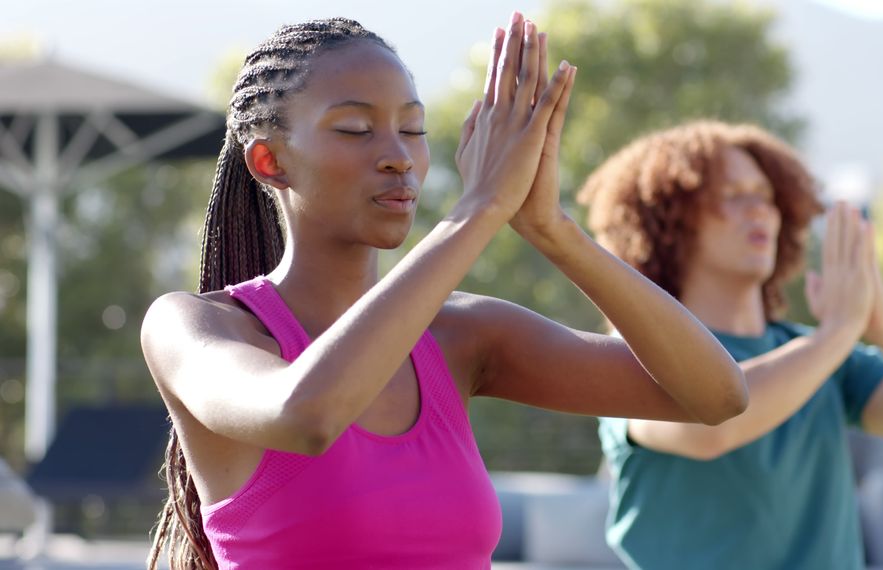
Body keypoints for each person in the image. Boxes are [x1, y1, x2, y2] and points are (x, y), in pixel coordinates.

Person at [139, 15, 748, 570]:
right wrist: (477, 210)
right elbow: (308, 414)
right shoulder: (193, 327)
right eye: (355, 129)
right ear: (270, 161)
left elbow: (715, 395)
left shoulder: (461, 337)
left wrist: (553, 230)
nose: (399, 157)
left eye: (413, 128)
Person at [578, 121, 883, 570]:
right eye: (732, 194)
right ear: (666, 218)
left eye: (766, 196)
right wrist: (839, 333)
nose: (760, 210)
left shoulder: (823, 356)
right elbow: (711, 427)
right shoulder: (636, 354)